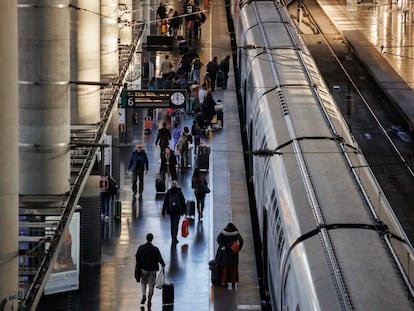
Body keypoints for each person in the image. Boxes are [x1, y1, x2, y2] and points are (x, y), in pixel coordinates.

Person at [135, 233, 166, 310]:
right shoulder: (155, 249)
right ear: (152, 239)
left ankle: (144, 295)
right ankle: (149, 299)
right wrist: (163, 264)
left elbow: (137, 257)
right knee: (151, 285)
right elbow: (160, 258)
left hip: (144, 269)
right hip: (153, 270)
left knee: (143, 283)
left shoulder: (141, 248)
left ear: (146, 238)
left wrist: (139, 266)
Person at [215, 223, 244, 290]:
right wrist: (238, 248)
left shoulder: (223, 233)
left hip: (224, 253)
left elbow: (218, 239)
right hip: (233, 253)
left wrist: (222, 246)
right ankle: (233, 282)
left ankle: (223, 282)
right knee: (233, 268)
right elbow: (241, 241)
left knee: (224, 268)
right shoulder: (236, 233)